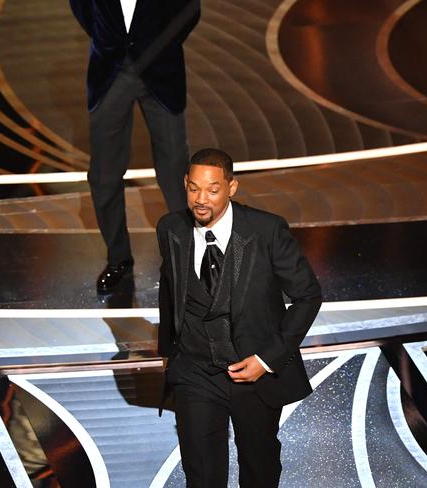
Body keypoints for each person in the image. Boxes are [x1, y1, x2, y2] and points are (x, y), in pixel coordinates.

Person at [157, 148, 322, 487]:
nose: (201, 199)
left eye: (213, 190)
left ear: (232, 188)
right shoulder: (171, 228)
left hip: (254, 374)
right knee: (201, 474)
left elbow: (308, 296)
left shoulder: (267, 230)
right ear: (185, 184)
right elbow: (170, 287)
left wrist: (267, 359)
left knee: (258, 467)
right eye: (194, 188)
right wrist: (167, 352)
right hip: (196, 373)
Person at [69, 0, 201, 292]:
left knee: (175, 171)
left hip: (162, 73)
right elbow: (81, 6)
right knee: (104, 176)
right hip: (110, 72)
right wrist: (109, 41)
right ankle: (118, 259)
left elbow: (190, 10)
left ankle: (190, 259)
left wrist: (161, 44)